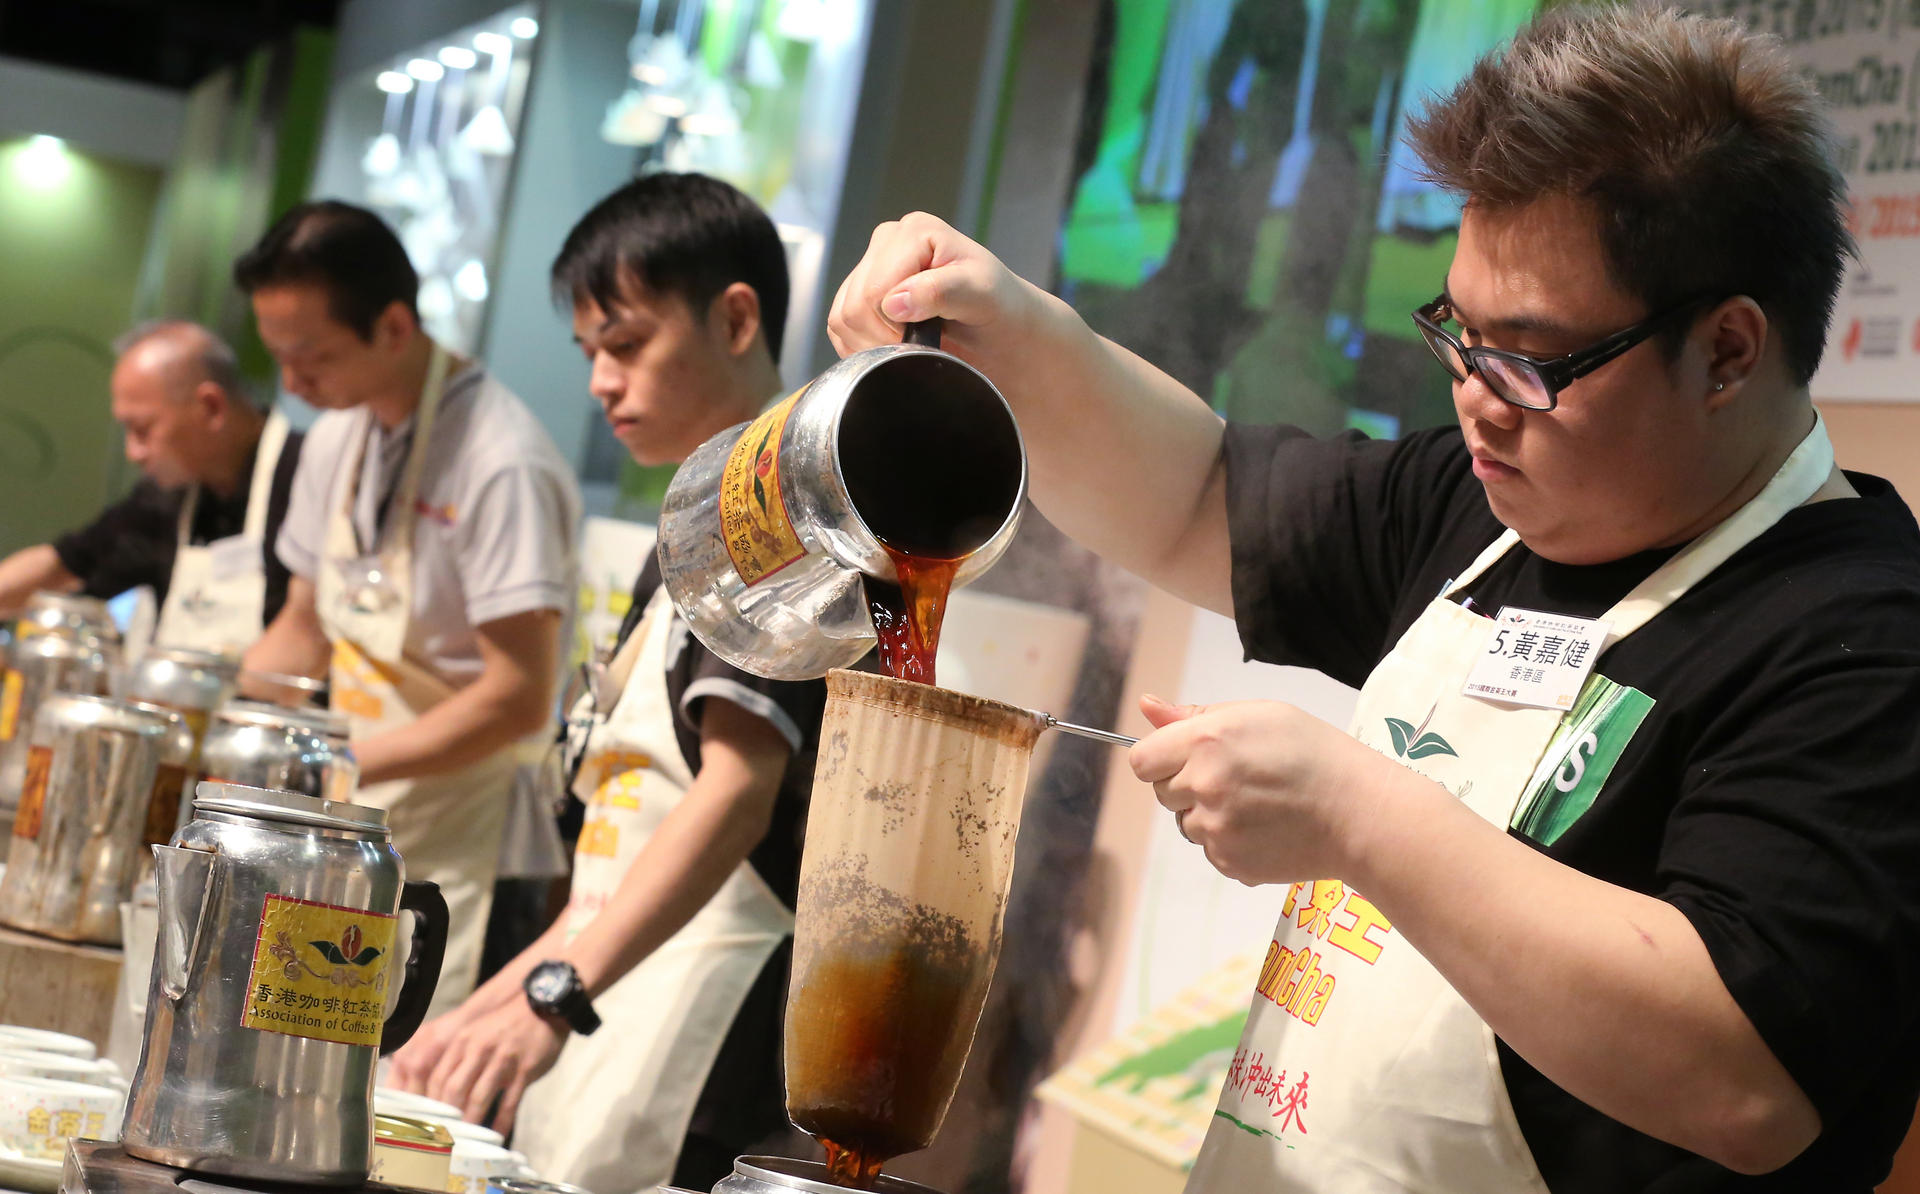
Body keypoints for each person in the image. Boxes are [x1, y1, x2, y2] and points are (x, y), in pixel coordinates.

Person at [829, 8, 1920, 1192]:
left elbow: (1744, 1080)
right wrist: (1017, 331)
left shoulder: (1860, 640)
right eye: (1459, 331)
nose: (1476, 398)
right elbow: (1200, 497)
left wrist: (1357, 815)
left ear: (1727, 352)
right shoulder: (1482, 507)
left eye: (1532, 358)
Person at [388, 173, 825, 1194]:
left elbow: (735, 790)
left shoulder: (775, 515)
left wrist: (552, 995)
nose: (599, 383)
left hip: (700, 1026)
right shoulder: (692, 519)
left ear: (735, 317)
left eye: (625, 344)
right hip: (607, 997)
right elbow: (617, 850)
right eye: (591, 354)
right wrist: (488, 1010)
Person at [236, 201, 582, 1012]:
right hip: (353, 813)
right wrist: (231, 727)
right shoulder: (336, 434)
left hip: (464, 829)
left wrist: (342, 766)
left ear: (394, 326)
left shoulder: (501, 461)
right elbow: (303, 620)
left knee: (410, 1066)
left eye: (309, 356)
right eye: (277, 356)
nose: (290, 383)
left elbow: (518, 696)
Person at [0, 320, 303, 651]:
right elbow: (66, 563)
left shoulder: (307, 474)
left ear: (211, 407)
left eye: (142, 429)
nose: (133, 453)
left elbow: (308, 629)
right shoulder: (166, 494)